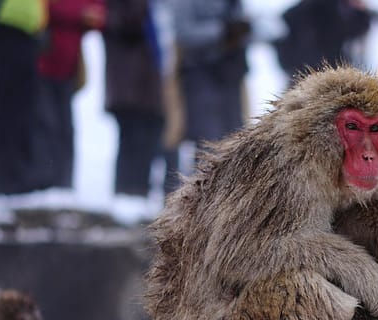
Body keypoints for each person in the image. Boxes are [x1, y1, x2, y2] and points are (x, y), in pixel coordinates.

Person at [0, 0, 48, 196]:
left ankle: (16, 179)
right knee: (4, 110)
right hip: (0, 28)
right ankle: (1, 182)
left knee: (22, 111)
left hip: (28, 33)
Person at [34, 0, 106, 190]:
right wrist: (80, 14)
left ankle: (62, 184)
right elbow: (45, 8)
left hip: (67, 69)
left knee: (64, 129)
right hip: (42, 66)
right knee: (45, 126)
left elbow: (99, 14)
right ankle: (44, 182)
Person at [171, 0, 251, 161]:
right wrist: (222, 31)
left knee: (236, 136)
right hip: (200, 72)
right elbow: (183, 32)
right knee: (208, 140)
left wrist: (242, 29)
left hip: (231, 71)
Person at [104, 0, 163, 200]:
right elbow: (125, 23)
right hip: (128, 87)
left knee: (148, 145)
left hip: (149, 89)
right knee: (132, 144)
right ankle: (126, 197)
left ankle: (139, 196)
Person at [274, 0, 371, 77]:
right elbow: (350, 30)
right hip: (319, 69)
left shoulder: (299, 11)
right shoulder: (325, 8)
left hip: (320, 68)